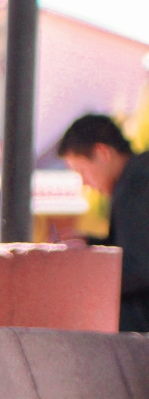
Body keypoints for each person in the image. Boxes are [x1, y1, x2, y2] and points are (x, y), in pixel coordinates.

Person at [58, 114, 149, 331]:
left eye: (82, 171)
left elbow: (139, 266)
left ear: (102, 153)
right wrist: (91, 244)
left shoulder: (135, 186)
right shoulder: (136, 178)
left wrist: (83, 273)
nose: (85, 183)